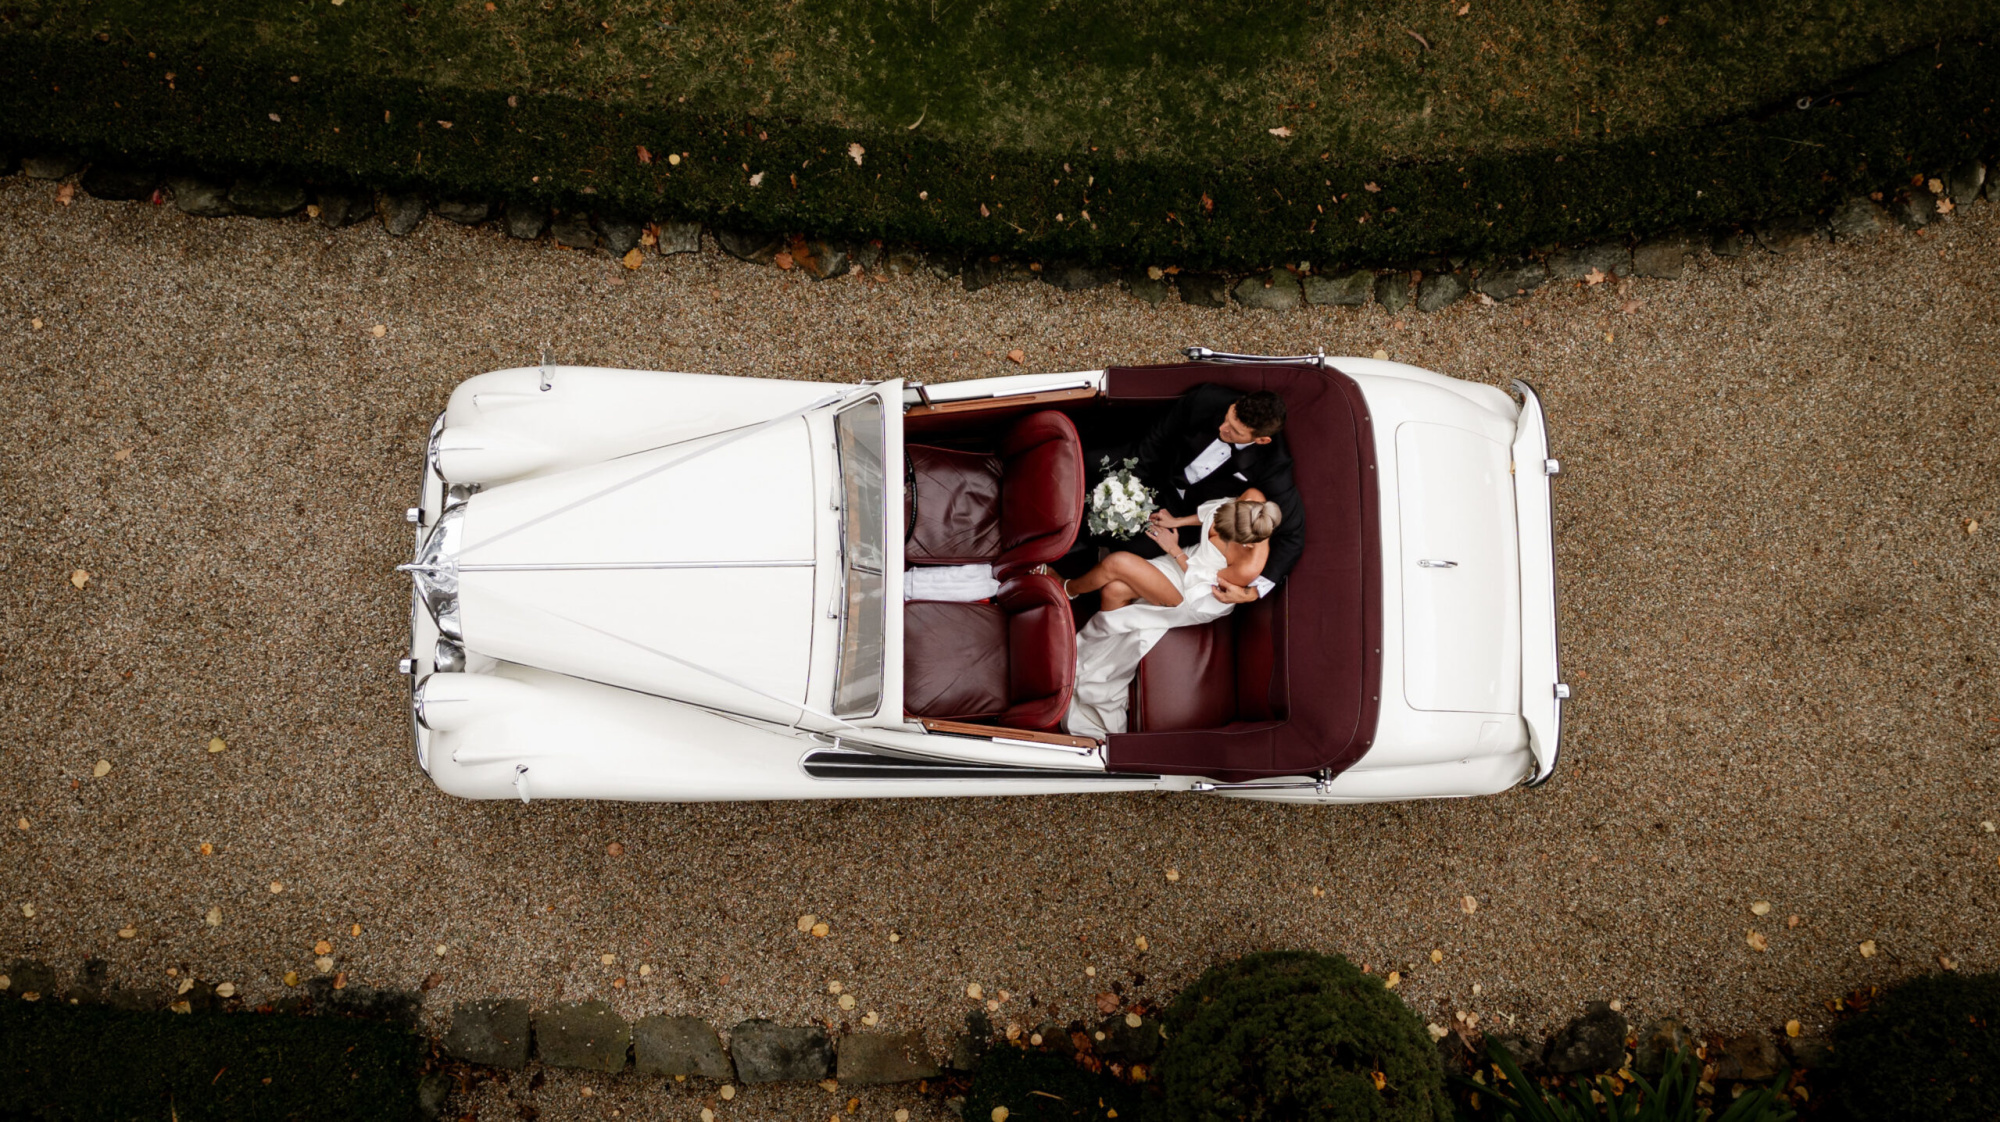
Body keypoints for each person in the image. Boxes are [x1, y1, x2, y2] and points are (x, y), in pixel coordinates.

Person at [1061, 492, 1282, 738]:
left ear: (1248, 544)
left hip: (1196, 595)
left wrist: (1174, 549)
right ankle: (1092, 656)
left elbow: (1204, 585)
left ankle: (1065, 589)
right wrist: (1176, 522)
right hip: (1184, 560)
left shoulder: (1249, 567)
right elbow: (1207, 515)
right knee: (1113, 590)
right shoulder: (1252, 500)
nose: (1215, 527)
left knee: (1117, 563)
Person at [1120, 385, 1305, 604]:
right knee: (1092, 470)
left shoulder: (1274, 466)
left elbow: (1293, 536)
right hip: (1156, 472)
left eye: (1235, 431)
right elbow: (1158, 436)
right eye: (1228, 418)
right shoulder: (1207, 399)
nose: (1222, 428)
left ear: (1262, 440)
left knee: (1133, 546)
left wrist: (1253, 592)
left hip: (1189, 515)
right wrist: (1131, 483)